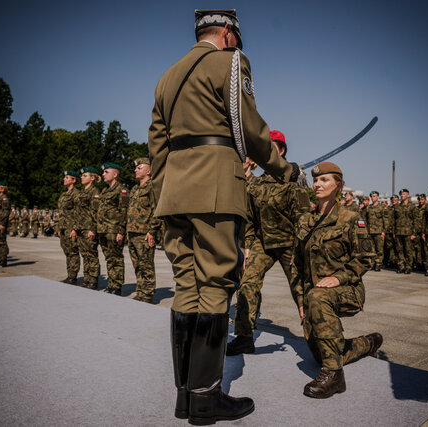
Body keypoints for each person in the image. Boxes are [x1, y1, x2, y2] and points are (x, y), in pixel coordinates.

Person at [148, 9, 301, 424]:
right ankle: (206, 399)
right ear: (228, 32)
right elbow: (249, 127)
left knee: (185, 287)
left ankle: (185, 395)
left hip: (174, 192)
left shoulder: (167, 76)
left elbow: (157, 146)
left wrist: (163, 195)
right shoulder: (230, 61)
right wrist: (285, 169)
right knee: (216, 284)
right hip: (215, 183)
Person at [291, 162, 382, 399]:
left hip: (347, 290)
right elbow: (297, 266)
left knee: (318, 298)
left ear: (338, 185)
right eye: (316, 181)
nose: (318, 184)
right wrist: (301, 300)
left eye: (325, 180)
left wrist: (337, 278)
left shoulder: (351, 218)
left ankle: (334, 377)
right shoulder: (305, 221)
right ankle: (368, 343)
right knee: (323, 353)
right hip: (314, 296)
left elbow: (366, 258)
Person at [227, 130, 310, 355]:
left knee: (301, 290)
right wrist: (247, 247)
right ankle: (244, 337)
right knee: (247, 285)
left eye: (269, 146)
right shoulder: (257, 183)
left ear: (280, 150)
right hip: (263, 244)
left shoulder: (292, 178)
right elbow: (251, 218)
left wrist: (300, 250)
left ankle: (318, 340)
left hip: (290, 244)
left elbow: (304, 217)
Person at [126, 158, 161, 303]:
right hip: (133, 232)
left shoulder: (152, 187)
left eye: (139, 168)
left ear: (148, 171)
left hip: (144, 233)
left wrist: (152, 231)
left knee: (146, 264)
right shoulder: (135, 189)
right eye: (136, 168)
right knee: (137, 264)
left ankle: (147, 294)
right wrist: (127, 230)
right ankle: (140, 291)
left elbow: (157, 210)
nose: (135, 170)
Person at [97, 163, 129, 295]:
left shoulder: (122, 190)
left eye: (106, 172)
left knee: (116, 259)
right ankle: (111, 284)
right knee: (109, 258)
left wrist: (121, 232)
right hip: (103, 230)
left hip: (114, 230)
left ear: (115, 174)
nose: (103, 174)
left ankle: (117, 286)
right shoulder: (105, 191)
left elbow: (124, 212)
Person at [73, 166, 102, 290]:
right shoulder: (81, 192)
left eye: (85, 175)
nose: (81, 177)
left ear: (92, 178)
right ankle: (87, 279)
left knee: (91, 255)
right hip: (80, 227)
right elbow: (77, 212)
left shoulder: (95, 192)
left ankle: (93, 280)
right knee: (84, 254)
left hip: (89, 227)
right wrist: (75, 228)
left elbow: (96, 212)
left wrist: (93, 229)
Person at [58, 170, 81, 284]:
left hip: (71, 228)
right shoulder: (64, 194)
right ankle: (69, 275)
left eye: (67, 177)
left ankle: (73, 276)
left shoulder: (76, 194)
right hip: (63, 227)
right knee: (67, 251)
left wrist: (75, 229)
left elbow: (78, 213)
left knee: (73, 252)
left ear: (73, 180)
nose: (64, 179)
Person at [393, 189, 415, 274]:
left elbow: (415, 220)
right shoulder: (397, 207)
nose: (402, 195)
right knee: (399, 250)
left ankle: (408, 266)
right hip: (399, 231)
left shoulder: (412, 206)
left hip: (408, 232)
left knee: (408, 250)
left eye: (404, 194)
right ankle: (401, 266)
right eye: (401, 194)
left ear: (408, 195)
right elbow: (394, 220)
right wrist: (394, 232)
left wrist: (414, 233)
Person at [365, 191, 385, 271]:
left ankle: (378, 264)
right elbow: (366, 220)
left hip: (378, 231)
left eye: (374, 196)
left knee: (379, 249)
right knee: (371, 249)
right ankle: (373, 263)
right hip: (370, 231)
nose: (373, 198)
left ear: (378, 197)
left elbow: (385, 220)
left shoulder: (382, 207)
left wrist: (383, 231)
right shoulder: (368, 207)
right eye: (372, 196)